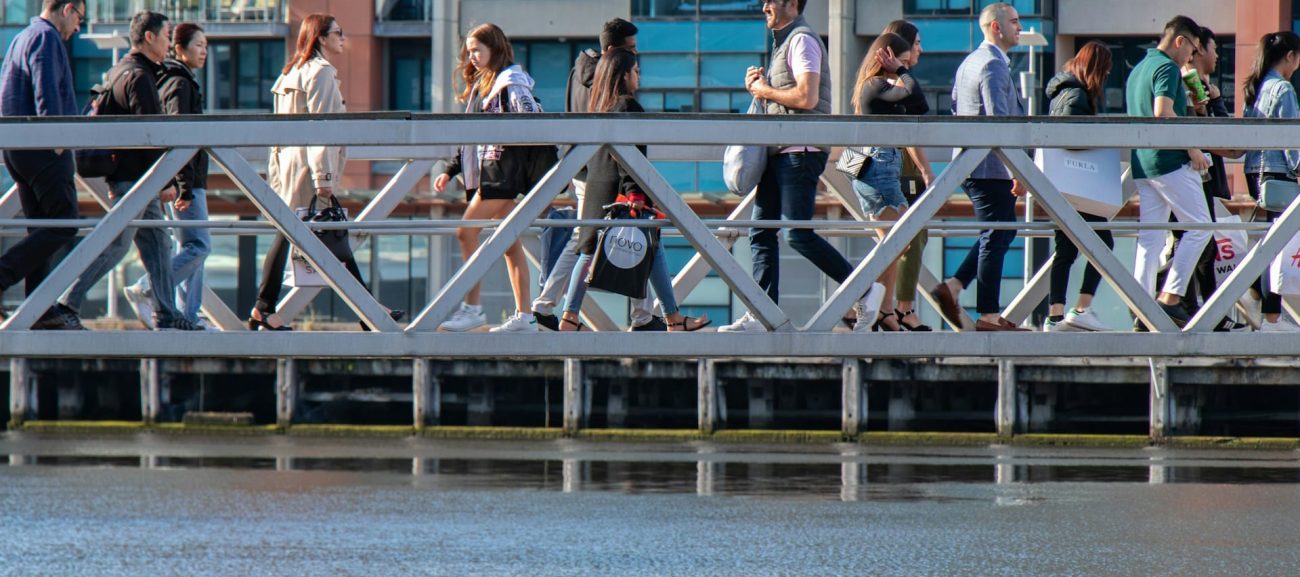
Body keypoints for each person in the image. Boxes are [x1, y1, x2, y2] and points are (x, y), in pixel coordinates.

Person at [720, 0, 883, 333]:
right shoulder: (785, 43)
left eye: (771, 1)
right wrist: (763, 88)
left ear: (792, 4)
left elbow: (807, 98)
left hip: (800, 151)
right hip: (780, 151)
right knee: (761, 232)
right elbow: (791, 94)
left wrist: (764, 89)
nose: (764, 6)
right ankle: (762, 315)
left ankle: (865, 290)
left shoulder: (802, 39)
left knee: (797, 234)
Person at [251, 13, 403, 331]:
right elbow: (321, 128)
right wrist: (325, 178)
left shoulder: (291, 71)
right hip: (308, 168)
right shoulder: (320, 73)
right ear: (321, 37)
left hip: (289, 165)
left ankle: (368, 310)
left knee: (314, 236)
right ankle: (266, 308)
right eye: (338, 32)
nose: (343, 38)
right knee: (324, 236)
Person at [57, 11, 200, 331]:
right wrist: (166, 182)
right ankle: (66, 302)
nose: (169, 44)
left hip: (131, 179)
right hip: (136, 181)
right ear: (149, 37)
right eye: (166, 36)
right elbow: (151, 137)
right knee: (119, 245)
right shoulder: (138, 76)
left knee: (158, 244)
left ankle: (165, 313)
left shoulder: (121, 70)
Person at [555, 49, 709, 333]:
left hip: (598, 189)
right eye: (635, 70)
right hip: (622, 192)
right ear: (623, 75)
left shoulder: (600, 106)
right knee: (647, 245)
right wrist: (635, 193)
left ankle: (569, 318)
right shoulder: (627, 106)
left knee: (591, 252)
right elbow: (628, 155)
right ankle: (672, 319)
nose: (639, 75)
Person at [529, 18, 665, 332]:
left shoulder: (577, 72)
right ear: (613, 52)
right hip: (601, 171)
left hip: (584, 165)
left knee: (588, 240)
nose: (635, 57)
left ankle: (553, 307)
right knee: (598, 241)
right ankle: (565, 310)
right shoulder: (610, 82)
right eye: (630, 50)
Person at [434, 23, 542, 333]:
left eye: (476, 51)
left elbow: (533, 123)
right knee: (509, 245)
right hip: (493, 174)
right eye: (468, 52)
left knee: (465, 233)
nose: (472, 57)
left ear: (494, 48)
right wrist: (450, 169)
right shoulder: (487, 82)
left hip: (502, 176)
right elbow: (472, 137)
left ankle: (473, 309)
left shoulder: (511, 82)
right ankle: (525, 317)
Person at [931, 2, 1029, 332]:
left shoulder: (971, 62)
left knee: (1000, 231)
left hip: (976, 165)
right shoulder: (992, 65)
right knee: (998, 233)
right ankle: (987, 316)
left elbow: (959, 106)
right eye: (1015, 22)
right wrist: (1017, 169)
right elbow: (998, 122)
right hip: (988, 167)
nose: (1020, 27)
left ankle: (955, 287)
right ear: (996, 27)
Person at [0, 0, 85, 329]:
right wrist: (58, 137)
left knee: (41, 228)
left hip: (19, 149)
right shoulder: (46, 38)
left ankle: (39, 307)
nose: (78, 27)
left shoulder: (22, 37)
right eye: (79, 17)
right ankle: (4, 273)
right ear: (67, 8)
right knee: (65, 222)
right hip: (44, 148)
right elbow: (46, 87)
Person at [1125, 15, 1213, 329]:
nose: (1191, 57)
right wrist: (1192, 147)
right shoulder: (1166, 67)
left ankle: (1140, 308)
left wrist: (1187, 101)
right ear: (1180, 41)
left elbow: (1154, 109)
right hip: (1169, 161)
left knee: (1150, 238)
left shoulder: (1139, 69)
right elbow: (1163, 113)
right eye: (1192, 49)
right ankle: (1170, 298)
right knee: (1201, 227)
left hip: (1143, 163)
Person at [122, 22, 211, 329]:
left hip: (190, 178)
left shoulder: (181, 80)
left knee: (192, 247)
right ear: (180, 48)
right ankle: (148, 287)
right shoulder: (178, 83)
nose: (204, 51)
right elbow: (177, 135)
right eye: (198, 45)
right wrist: (183, 185)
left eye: (206, 46)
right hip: (187, 181)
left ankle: (189, 315)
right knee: (199, 246)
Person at [848, 32, 921, 332]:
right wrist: (902, 71)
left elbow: (920, 106)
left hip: (875, 166)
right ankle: (864, 301)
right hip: (877, 166)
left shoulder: (875, 87)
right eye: (900, 61)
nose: (906, 67)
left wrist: (900, 71)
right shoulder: (875, 85)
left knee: (893, 244)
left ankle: (883, 309)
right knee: (895, 243)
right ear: (884, 57)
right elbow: (915, 96)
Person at [1042, 41, 1115, 332]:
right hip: (1078, 185)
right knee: (1103, 243)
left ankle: (1055, 315)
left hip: (1062, 186)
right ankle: (1082, 309)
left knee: (1066, 251)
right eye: (1106, 70)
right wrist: (1098, 141)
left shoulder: (1062, 91)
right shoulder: (1076, 95)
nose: (1107, 76)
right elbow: (1068, 138)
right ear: (1095, 68)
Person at [1242, 31, 1300, 332]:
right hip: (1279, 174)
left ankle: (1255, 291)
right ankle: (1273, 319)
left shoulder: (1256, 86)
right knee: (1279, 244)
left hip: (1255, 173)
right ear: (1290, 56)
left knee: (1269, 241)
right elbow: (1292, 141)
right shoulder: (1283, 89)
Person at [882, 18, 933, 332]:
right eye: (916, 44)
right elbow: (911, 125)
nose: (921, 50)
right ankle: (900, 309)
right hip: (898, 166)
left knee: (904, 239)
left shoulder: (889, 78)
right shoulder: (894, 80)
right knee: (909, 237)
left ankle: (890, 308)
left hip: (895, 164)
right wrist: (927, 170)